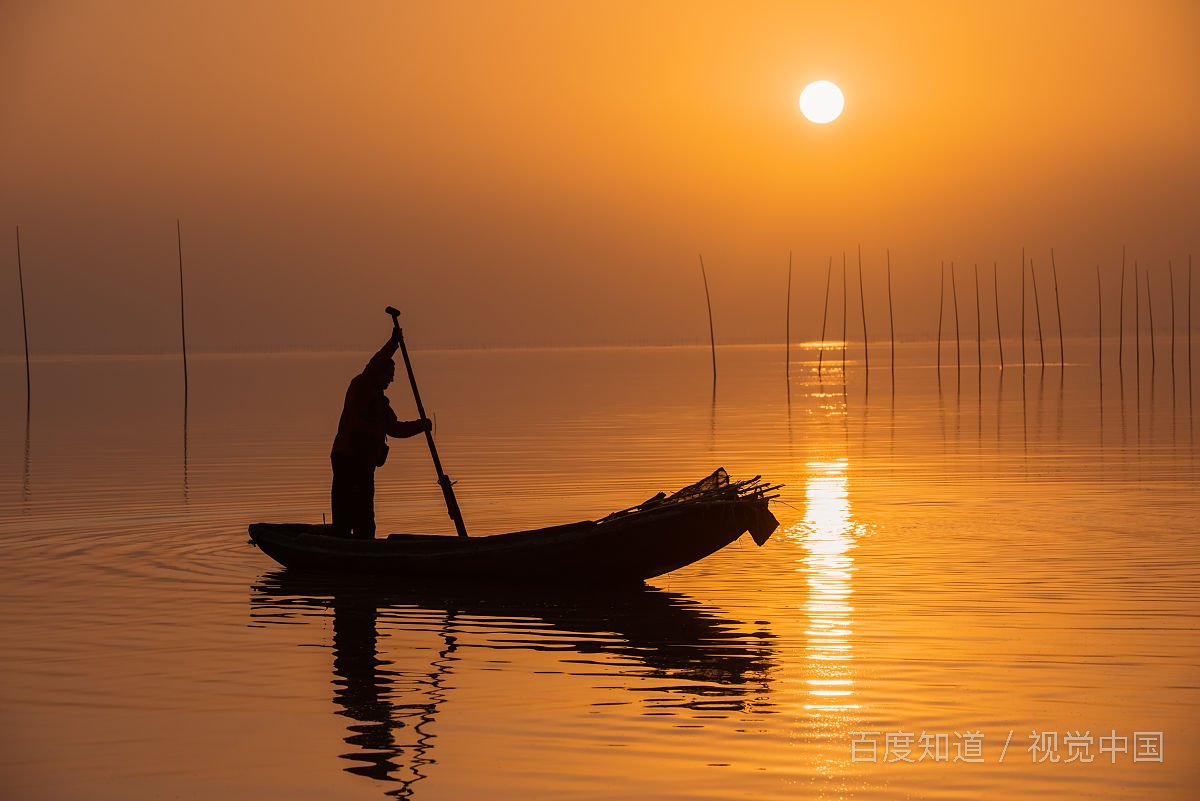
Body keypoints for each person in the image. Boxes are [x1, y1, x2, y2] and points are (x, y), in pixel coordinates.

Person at [331, 326, 431, 538]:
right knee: (344, 515)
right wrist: (394, 342)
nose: (392, 380)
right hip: (348, 458)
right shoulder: (361, 385)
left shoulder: (381, 405)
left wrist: (420, 425)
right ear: (379, 373)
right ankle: (341, 545)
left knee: (365, 518)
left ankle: (363, 544)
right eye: (389, 374)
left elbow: (395, 429)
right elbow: (376, 361)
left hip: (365, 464)